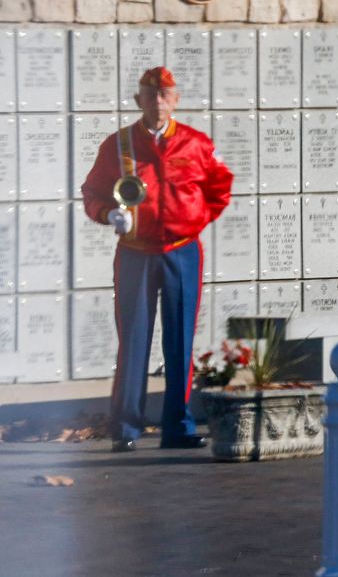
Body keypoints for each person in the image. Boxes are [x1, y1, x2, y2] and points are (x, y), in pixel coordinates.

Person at [81, 67, 235, 452]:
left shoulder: (196, 144)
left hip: (182, 250)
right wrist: (108, 214)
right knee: (133, 340)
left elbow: (220, 187)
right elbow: (93, 192)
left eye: (165, 94)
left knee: (180, 339)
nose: (158, 102)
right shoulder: (118, 146)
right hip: (135, 253)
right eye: (150, 95)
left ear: (176, 99)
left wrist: (194, 218)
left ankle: (177, 426)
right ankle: (125, 428)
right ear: (139, 100)